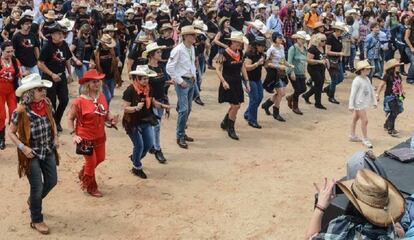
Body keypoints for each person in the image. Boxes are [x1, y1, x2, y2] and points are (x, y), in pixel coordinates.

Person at [8, 73, 59, 235]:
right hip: (30, 153)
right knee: (36, 186)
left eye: (43, 89)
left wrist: (56, 137)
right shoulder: (21, 110)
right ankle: (36, 219)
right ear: (30, 92)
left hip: (48, 149)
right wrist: (23, 147)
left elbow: (52, 122)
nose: (43, 92)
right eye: (39, 89)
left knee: (51, 181)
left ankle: (33, 201)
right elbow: (11, 132)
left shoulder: (47, 103)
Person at [305, 169, 405, 239]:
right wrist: (387, 215)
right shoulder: (392, 231)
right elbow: (400, 233)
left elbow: (310, 238)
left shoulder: (341, 227)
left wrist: (320, 207)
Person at [67, 69, 118, 197]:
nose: (97, 84)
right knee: (91, 163)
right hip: (85, 137)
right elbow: (70, 118)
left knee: (100, 159)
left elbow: (105, 113)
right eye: (94, 82)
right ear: (87, 84)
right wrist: (74, 134)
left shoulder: (101, 97)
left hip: (100, 135)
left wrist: (111, 118)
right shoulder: (79, 101)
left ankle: (83, 173)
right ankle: (90, 186)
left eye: (98, 81)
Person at [122, 65, 170, 179]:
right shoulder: (130, 90)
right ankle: (136, 167)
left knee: (148, 144)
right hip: (133, 122)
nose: (146, 80)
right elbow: (125, 108)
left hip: (146, 120)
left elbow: (152, 102)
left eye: (147, 78)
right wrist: (135, 108)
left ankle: (135, 157)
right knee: (139, 145)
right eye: (143, 78)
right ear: (137, 79)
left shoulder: (149, 88)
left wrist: (163, 106)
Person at [38, 23, 78, 132]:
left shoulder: (64, 44)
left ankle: (57, 120)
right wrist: (51, 74)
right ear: (52, 35)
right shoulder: (47, 46)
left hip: (61, 76)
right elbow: (40, 63)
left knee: (64, 99)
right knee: (51, 102)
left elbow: (67, 59)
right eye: (58, 33)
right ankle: (53, 124)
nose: (61, 35)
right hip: (49, 77)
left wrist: (70, 73)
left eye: (62, 33)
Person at [166, 26, 200, 149]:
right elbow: (169, 67)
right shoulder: (178, 50)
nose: (194, 37)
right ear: (185, 36)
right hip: (183, 82)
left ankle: (182, 133)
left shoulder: (192, 48)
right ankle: (179, 135)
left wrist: (194, 75)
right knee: (184, 109)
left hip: (190, 80)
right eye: (192, 35)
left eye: (194, 35)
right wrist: (179, 81)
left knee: (188, 108)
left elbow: (191, 63)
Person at [216, 31, 249, 140]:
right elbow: (218, 69)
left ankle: (225, 122)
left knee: (236, 105)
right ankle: (231, 128)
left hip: (237, 82)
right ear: (232, 42)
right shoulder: (223, 54)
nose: (239, 44)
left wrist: (247, 81)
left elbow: (242, 67)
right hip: (228, 82)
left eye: (240, 42)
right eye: (237, 42)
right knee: (236, 106)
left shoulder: (240, 53)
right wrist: (223, 81)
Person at [143, 42, 170, 164]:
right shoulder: (146, 70)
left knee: (155, 125)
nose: (161, 53)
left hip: (162, 99)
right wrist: (153, 101)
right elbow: (145, 88)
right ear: (151, 55)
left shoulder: (160, 67)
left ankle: (152, 145)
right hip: (152, 101)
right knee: (157, 126)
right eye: (158, 52)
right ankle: (157, 149)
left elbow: (162, 83)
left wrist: (170, 83)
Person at [261, 32, 293, 122]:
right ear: (274, 38)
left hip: (282, 72)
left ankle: (266, 105)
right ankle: (276, 112)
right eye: (279, 37)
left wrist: (288, 65)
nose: (281, 39)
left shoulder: (282, 47)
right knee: (281, 93)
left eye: (281, 37)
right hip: (274, 73)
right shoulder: (271, 50)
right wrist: (279, 66)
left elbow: (282, 60)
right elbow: (266, 64)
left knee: (281, 93)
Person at [348, 60, 377, 149]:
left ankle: (352, 135)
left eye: (369, 69)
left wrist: (374, 101)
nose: (369, 70)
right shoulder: (357, 80)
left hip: (364, 103)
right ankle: (365, 139)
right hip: (359, 103)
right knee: (365, 121)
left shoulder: (367, 79)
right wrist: (351, 105)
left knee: (355, 119)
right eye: (367, 69)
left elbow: (371, 90)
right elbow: (353, 93)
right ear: (361, 70)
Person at [0, 41, 22, 150]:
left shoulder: (15, 60)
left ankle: (13, 133)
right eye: (7, 52)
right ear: (2, 51)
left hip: (11, 90)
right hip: (0, 91)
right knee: (1, 115)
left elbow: (20, 74)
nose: (10, 54)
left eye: (11, 51)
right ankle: (1, 138)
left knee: (14, 113)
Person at [90, 34, 122, 105]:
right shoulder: (96, 52)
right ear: (102, 43)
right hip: (101, 77)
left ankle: (104, 109)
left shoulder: (113, 50)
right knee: (108, 97)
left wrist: (119, 62)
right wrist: (91, 65)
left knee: (110, 94)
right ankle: (103, 108)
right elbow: (91, 60)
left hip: (112, 76)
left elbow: (117, 59)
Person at [376, 59, 405, 137]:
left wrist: (402, 92)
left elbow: (400, 85)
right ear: (393, 67)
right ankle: (391, 129)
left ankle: (387, 124)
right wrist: (377, 94)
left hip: (398, 96)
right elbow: (381, 85)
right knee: (394, 112)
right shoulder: (387, 76)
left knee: (399, 110)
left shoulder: (399, 76)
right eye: (397, 66)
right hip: (390, 96)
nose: (399, 67)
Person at [243, 36, 266, 129]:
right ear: (256, 46)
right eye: (261, 46)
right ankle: (252, 120)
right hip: (249, 79)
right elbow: (246, 67)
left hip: (257, 78)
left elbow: (266, 63)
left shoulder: (262, 54)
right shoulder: (249, 54)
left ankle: (248, 113)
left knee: (260, 97)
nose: (263, 48)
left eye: (264, 46)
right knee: (254, 98)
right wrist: (257, 63)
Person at [302, 33, 329, 110]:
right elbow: (308, 60)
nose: (324, 42)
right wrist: (319, 61)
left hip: (321, 68)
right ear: (318, 40)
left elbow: (323, 56)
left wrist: (326, 61)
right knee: (319, 84)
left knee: (319, 84)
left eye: (325, 40)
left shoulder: (323, 47)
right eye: (323, 40)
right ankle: (318, 103)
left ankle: (306, 95)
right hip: (313, 68)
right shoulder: (313, 48)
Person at [287, 31, 310, 115]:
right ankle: (295, 106)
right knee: (297, 89)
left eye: (304, 39)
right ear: (297, 39)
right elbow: (289, 61)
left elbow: (304, 62)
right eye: (302, 39)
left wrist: (304, 72)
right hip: (293, 72)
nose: (303, 41)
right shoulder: (292, 48)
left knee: (303, 88)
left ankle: (290, 97)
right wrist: (292, 72)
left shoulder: (304, 49)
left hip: (301, 72)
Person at [324, 22, 346, 104]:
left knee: (341, 78)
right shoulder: (330, 38)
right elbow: (327, 52)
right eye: (341, 31)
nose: (342, 32)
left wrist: (340, 55)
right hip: (331, 61)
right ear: (337, 30)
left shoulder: (339, 38)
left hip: (338, 60)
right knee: (334, 79)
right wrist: (339, 54)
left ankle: (328, 89)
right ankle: (331, 96)